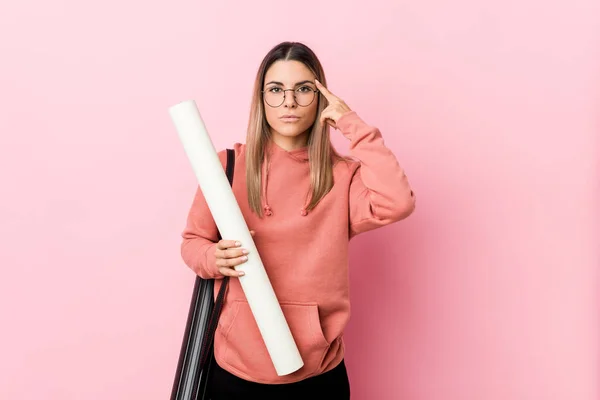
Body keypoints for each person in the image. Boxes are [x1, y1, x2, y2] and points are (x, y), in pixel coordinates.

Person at [180, 41, 416, 399]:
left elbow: (397, 203)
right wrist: (213, 258)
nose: (289, 102)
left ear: (321, 98)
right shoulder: (226, 167)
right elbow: (193, 243)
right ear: (260, 99)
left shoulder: (343, 177)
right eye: (276, 90)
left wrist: (352, 124)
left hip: (316, 373)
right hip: (233, 369)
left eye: (303, 89)